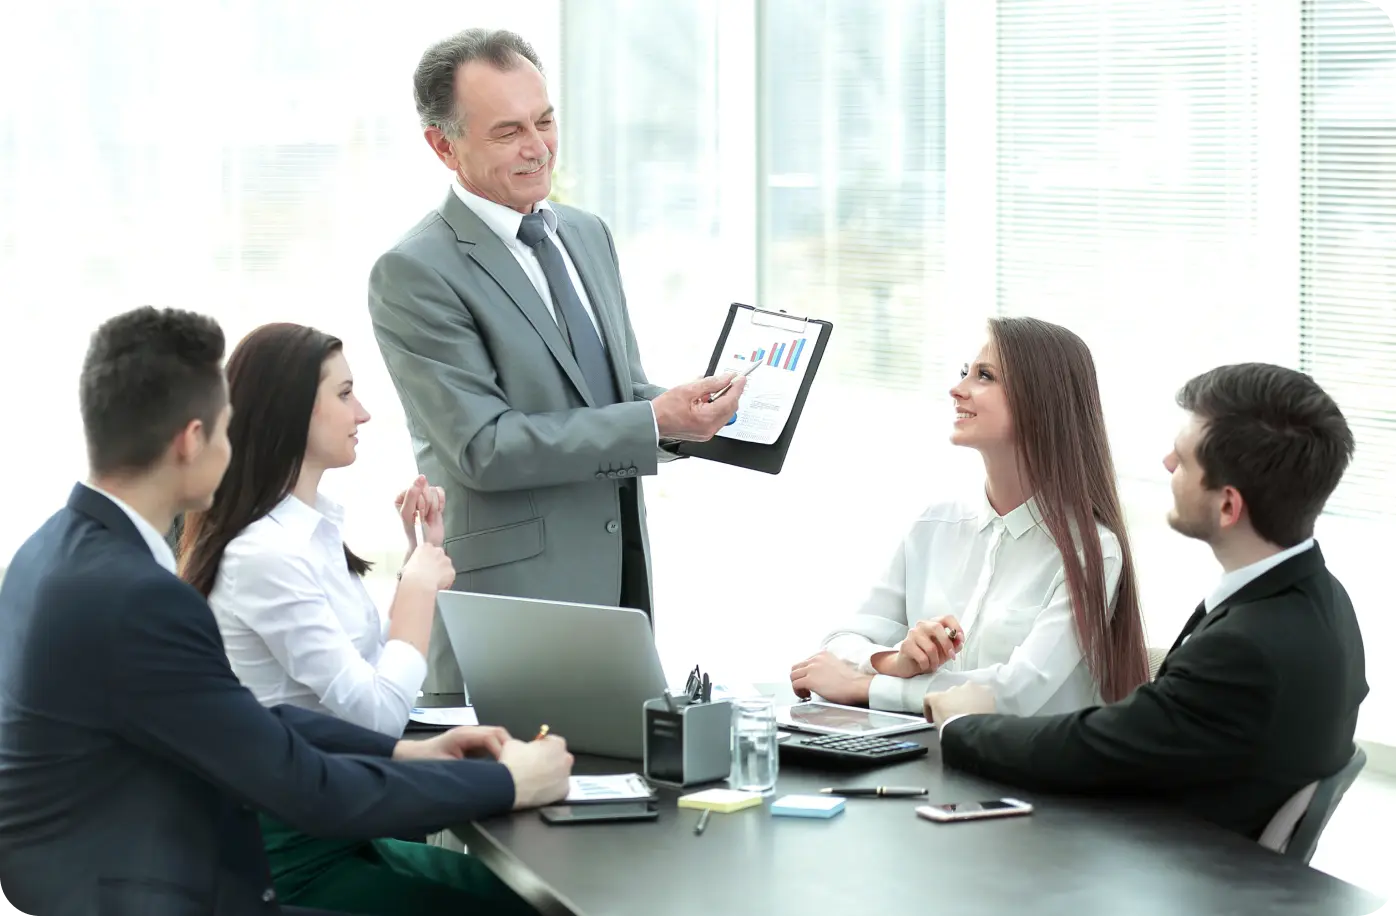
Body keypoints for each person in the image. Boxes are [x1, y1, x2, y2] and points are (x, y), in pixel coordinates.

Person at [0, 307, 573, 916]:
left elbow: (247, 719)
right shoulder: (136, 596)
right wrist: (510, 782)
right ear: (193, 440)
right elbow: (303, 787)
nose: (235, 443)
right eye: (226, 428)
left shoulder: (48, 554)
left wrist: (410, 752)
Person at [368, 28, 745, 694]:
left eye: (545, 121)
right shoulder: (415, 271)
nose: (538, 147)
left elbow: (613, 392)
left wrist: (697, 411)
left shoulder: (585, 233)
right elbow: (484, 446)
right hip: (507, 608)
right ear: (443, 145)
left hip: (618, 580)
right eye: (508, 131)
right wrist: (654, 421)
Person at [926, 363, 1368, 841]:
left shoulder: (1248, 648)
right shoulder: (1321, 598)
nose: (1166, 463)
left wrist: (966, 722)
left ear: (1228, 506)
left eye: (1184, 459)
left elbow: (1095, 747)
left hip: (1176, 872)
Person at [178, 322, 527, 914]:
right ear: (292, 410)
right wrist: (417, 591)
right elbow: (375, 719)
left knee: (517, 896)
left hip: (340, 824)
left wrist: (416, 556)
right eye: (344, 394)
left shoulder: (312, 533)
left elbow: (359, 670)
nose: (362, 413)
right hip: (290, 857)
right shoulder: (264, 554)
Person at [790, 317, 1150, 716]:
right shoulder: (935, 525)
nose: (957, 389)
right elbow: (844, 638)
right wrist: (895, 663)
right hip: (923, 758)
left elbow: (1016, 693)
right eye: (965, 372)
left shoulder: (1092, 550)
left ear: (1040, 399)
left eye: (984, 376)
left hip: (1025, 774)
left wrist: (867, 687)